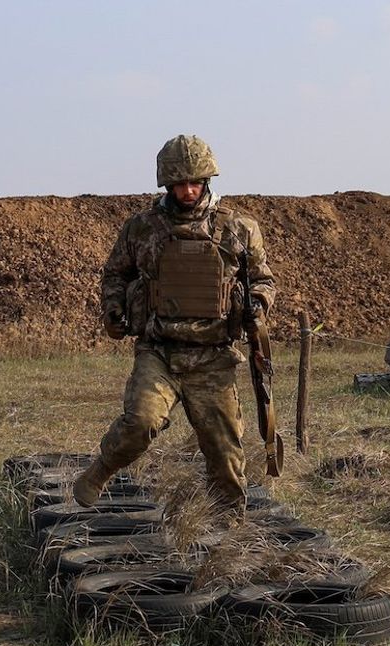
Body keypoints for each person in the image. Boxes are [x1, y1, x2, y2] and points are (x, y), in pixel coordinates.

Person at [72, 135, 276, 517]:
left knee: (224, 449)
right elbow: (115, 273)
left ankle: (228, 532)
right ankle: (101, 471)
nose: (188, 190)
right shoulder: (142, 228)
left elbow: (264, 280)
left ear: (208, 181)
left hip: (213, 356)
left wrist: (258, 306)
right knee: (141, 422)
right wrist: (113, 309)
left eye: (195, 182)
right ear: (167, 184)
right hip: (160, 351)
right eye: (180, 183)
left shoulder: (239, 229)